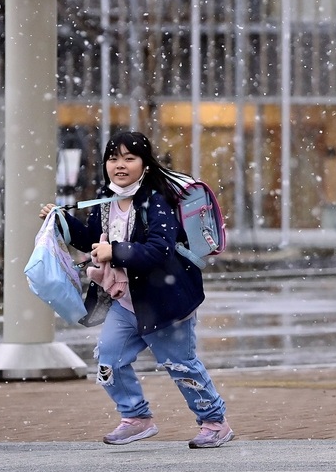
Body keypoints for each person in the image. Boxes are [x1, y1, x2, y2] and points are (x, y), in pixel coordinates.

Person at [40, 131, 233, 449]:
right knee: (107, 361)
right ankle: (136, 418)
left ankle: (214, 422)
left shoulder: (156, 200)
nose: (120, 165)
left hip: (165, 302)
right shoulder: (106, 199)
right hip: (125, 301)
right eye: (113, 158)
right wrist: (59, 220)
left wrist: (115, 252)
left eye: (129, 158)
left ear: (144, 164)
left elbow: (160, 250)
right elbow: (91, 238)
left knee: (181, 366)